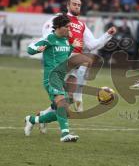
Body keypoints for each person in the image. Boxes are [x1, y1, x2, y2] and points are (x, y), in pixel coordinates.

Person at [38, 0, 116, 134]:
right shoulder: (59, 18)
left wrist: (107, 35)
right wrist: (54, 45)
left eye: (79, 5)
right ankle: (80, 95)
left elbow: (92, 45)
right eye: (74, 4)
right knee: (88, 60)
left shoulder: (81, 25)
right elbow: (46, 31)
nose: (77, 7)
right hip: (63, 57)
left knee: (66, 102)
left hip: (73, 65)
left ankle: (41, 117)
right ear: (68, 5)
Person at [24, 14, 92, 142]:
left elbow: (64, 55)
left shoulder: (66, 41)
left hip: (61, 78)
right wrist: (37, 49)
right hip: (51, 77)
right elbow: (30, 48)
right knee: (61, 102)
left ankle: (32, 120)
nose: (69, 30)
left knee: (64, 111)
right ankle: (65, 134)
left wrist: (72, 47)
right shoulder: (49, 38)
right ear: (59, 27)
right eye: (67, 27)